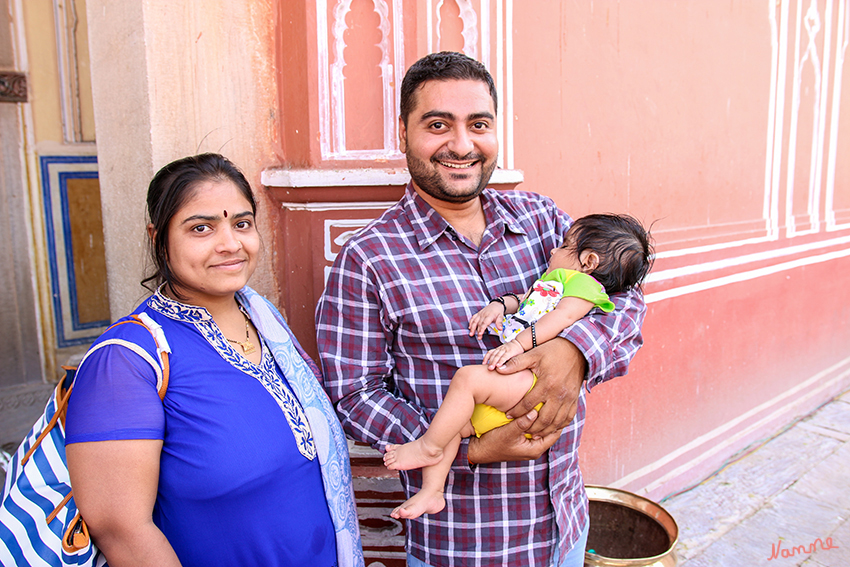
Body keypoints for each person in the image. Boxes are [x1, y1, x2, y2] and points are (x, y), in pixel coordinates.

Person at [316, 51, 646, 567]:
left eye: (479, 124)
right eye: (437, 124)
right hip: (464, 543)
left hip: (564, 523)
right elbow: (355, 397)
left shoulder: (543, 221)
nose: (462, 144)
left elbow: (625, 294)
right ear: (404, 133)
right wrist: (462, 446)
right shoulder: (367, 259)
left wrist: (573, 353)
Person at [65, 153, 363, 567]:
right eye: (201, 228)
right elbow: (121, 530)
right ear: (158, 237)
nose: (230, 243)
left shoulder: (264, 322)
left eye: (241, 223)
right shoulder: (126, 361)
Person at [382, 214, 653, 520]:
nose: (553, 250)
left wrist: (517, 345)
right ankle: (432, 492)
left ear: (588, 261)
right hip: (515, 386)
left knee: (467, 380)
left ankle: (427, 447)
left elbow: (560, 318)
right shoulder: (556, 282)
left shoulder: (585, 287)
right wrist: (498, 305)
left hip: (532, 381)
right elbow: (526, 300)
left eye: (565, 246)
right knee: (454, 424)